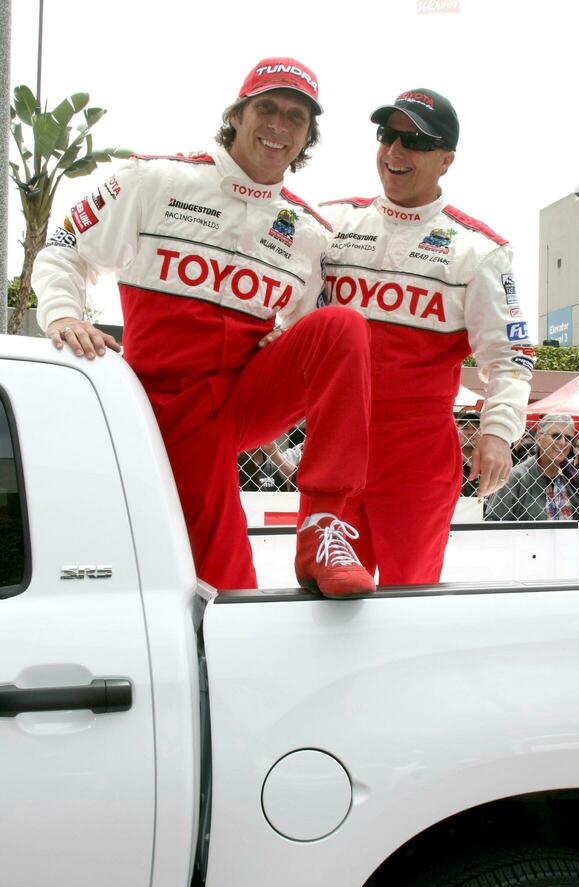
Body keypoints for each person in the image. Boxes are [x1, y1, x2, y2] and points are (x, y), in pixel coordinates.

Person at [32, 57, 375, 599]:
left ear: (308, 136)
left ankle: (321, 527)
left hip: (240, 400)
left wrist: (281, 340)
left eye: (296, 118)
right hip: (163, 406)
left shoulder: (310, 232)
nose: (278, 127)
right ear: (237, 115)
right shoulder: (154, 179)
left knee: (343, 327)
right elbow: (64, 250)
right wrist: (64, 314)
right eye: (266, 108)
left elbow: (311, 332)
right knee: (229, 587)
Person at [318, 88, 532, 584]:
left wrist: (498, 432)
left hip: (416, 449)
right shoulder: (330, 222)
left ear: (446, 159)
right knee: (324, 590)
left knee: (409, 593)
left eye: (414, 140)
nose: (395, 151)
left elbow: (511, 355)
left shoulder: (479, 250)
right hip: (335, 436)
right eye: (388, 135)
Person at [485, 413, 579, 521]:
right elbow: (493, 523)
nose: (562, 442)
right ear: (539, 438)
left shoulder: (573, 478)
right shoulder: (513, 478)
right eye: (556, 436)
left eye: (568, 438)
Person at [455, 410, 481, 497]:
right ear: (457, 430)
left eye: (476, 427)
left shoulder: (490, 462)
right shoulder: (449, 464)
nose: (470, 432)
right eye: (465, 428)